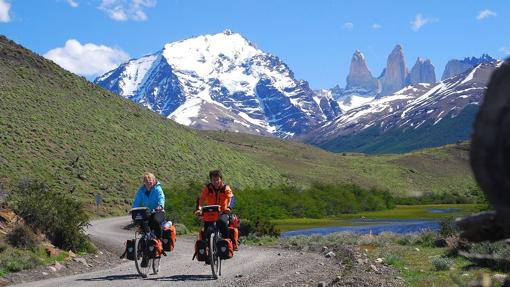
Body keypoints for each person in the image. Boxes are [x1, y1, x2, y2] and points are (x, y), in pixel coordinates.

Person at [195, 170, 233, 241]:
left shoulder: (225, 188)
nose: (216, 182)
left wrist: (229, 207)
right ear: (211, 180)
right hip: (211, 213)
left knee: (223, 223)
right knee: (206, 229)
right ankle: (207, 246)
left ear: (221, 179)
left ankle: (228, 241)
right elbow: (201, 199)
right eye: (213, 180)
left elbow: (231, 198)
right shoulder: (207, 188)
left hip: (223, 212)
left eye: (217, 179)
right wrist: (198, 209)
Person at [132, 172, 166, 239]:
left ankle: (159, 240)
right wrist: (134, 209)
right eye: (146, 182)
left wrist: (160, 206)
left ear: (153, 181)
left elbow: (161, 197)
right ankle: (146, 235)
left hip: (157, 211)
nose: (148, 184)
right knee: (141, 220)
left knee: (156, 222)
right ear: (144, 182)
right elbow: (137, 201)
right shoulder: (142, 190)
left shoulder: (157, 189)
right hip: (146, 212)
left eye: (150, 181)